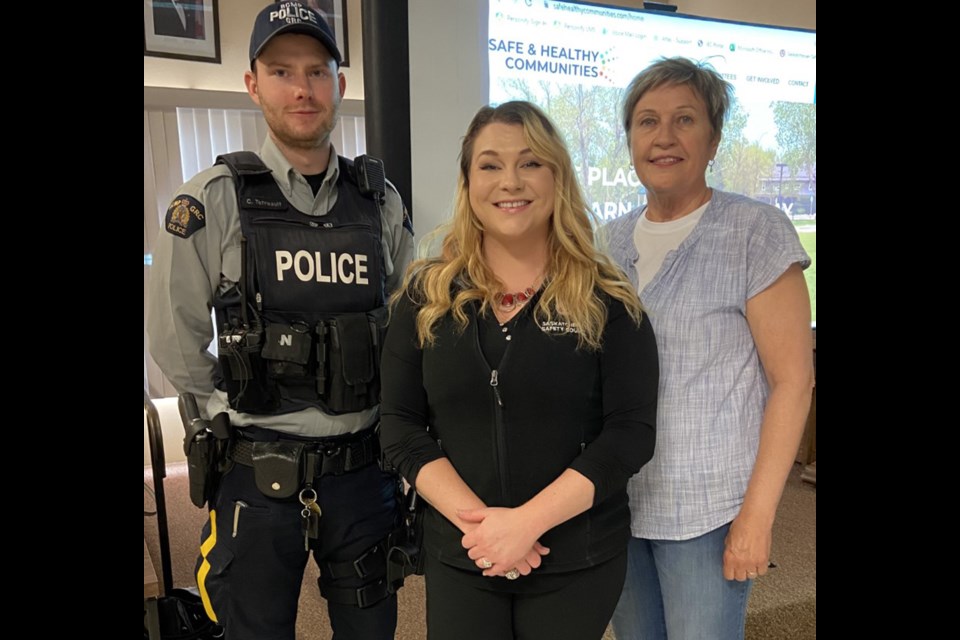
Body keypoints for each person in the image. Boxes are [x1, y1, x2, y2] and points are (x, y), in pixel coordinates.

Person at [147, 3, 414, 639]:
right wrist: (225, 408)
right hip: (257, 479)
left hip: (363, 475)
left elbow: (410, 324)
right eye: (282, 71)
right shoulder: (214, 199)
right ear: (253, 84)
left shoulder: (379, 202)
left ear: (340, 87)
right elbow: (172, 336)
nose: (303, 89)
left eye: (318, 72)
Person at [379, 101, 659, 640]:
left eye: (531, 163)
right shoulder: (423, 299)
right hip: (464, 554)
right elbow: (400, 427)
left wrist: (526, 524)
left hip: (577, 558)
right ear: (468, 182)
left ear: (558, 177)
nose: (510, 181)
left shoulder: (609, 302)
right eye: (489, 164)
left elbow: (629, 434)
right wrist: (486, 532)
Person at [603, 57, 814, 640]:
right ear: (630, 140)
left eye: (685, 120)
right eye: (647, 121)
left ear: (714, 137)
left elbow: (794, 383)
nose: (664, 137)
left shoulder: (756, 232)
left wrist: (758, 517)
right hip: (618, 505)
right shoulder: (605, 242)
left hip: (708, 511)